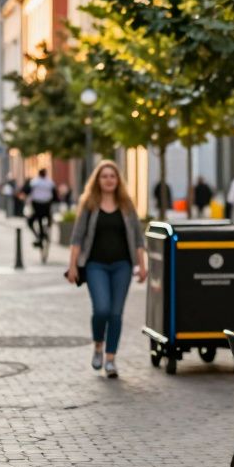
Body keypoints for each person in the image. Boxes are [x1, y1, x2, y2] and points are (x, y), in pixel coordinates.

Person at [66, 161, 147, 378]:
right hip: (95, 266)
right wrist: (72, 265)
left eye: (112, 176)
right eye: (104, 176)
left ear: (118, 180)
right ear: (97, 180)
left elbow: (138, 239)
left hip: (122, 266)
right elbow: (77, 238)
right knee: (101, 310)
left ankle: (110, 359)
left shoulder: (127, 205)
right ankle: (98, 346)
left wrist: (142, 266)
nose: (109, 180)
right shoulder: (89, 205)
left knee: (116, 313)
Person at [25, 169, 56, 248]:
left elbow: (27, 191)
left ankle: (38, 236)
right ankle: (44, 233)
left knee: (30, 221)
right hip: (46, 206)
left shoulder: (34, 182)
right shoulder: (50, 182)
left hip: (37, 206)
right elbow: (55, 194)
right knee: (48, 219)